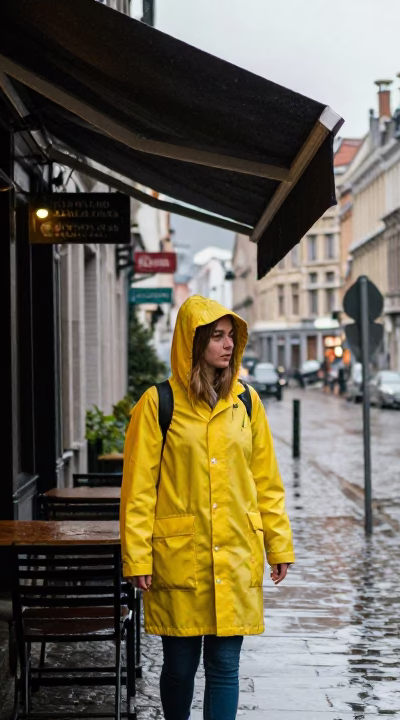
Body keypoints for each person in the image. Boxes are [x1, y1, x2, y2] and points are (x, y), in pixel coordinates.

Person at [121, 295, 295, 720]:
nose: (228, 345)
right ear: (193, 342)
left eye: (231, 336)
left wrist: (279, 544)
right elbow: (138, 490)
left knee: (224, 666)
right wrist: (137, 557)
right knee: (180, 668)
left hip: (235, 553)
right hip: (182, 557)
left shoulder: (246, 402)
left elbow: (266, 482)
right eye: (217, 336)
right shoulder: (158, 403)